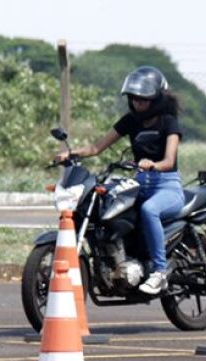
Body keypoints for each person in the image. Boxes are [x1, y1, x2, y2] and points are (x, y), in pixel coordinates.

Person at [54, 66, 184, 295]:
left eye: (142, 100)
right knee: (111, 209)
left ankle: (159, 273)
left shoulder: (168, 122)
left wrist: (152, 165)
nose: (137, 104)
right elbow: (96, 147)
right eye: (133, 99)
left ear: (156, 99)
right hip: (141, 184)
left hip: (167, 186)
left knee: (149, 210)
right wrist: (71, 154)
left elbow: (169, 159)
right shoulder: (130, 121)